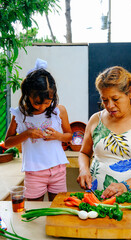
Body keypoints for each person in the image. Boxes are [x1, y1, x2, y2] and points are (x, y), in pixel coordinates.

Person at [77, 66, 131, 198]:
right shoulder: (95, 119)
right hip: (96, 197)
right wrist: (83, 170)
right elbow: (84, 153)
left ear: (130, 93)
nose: (109, 105)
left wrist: (125, 186)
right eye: (104, 100)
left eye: (115, 99)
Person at [5, 59, 72, 201]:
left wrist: (58, 136)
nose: (42, 107)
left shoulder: (59, 111)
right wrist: (27, 134)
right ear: (27, 95)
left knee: (58, 208)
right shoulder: (19, 115)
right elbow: (8, 143)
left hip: (58, 169)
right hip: (33, 172)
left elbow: (69, 136)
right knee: (34, 210)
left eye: (47, 103)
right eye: (37, 103)